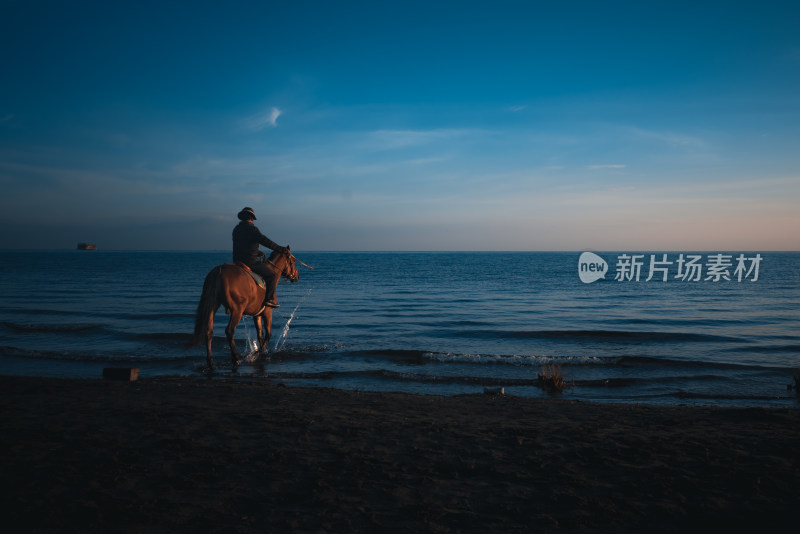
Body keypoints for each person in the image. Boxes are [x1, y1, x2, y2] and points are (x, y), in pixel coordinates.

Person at [232, 207, 289, 308]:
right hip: (250, 262)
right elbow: (266, 242)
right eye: (252, 218)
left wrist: (258, 252)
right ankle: (269, 299)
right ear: (251, 218)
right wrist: (282, 249)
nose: (253, 220)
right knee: (271, 276)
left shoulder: (236, 230)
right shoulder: (252, 229)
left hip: (236, 261)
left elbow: (242, 246)